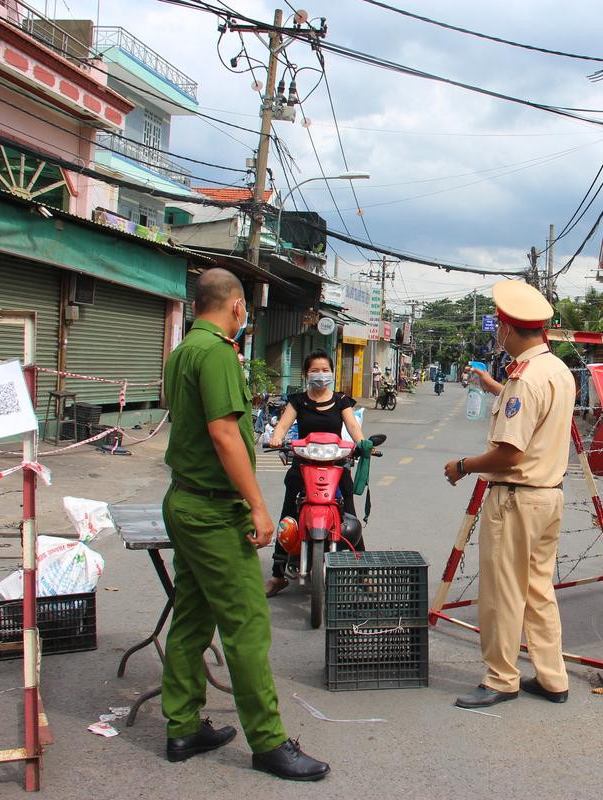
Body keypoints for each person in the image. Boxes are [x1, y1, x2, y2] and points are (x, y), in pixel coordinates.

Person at [160, 268, 329, 780]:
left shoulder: (184, 350)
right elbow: (225, 435)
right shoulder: (215, 353)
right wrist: (258, 505)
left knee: (192, 616)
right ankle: (269, 741)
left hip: (185, 501)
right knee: (248, 625)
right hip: (212, 511)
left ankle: (183, 724)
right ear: (236, 307)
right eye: (246, 309)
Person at [443, 280, 575, 709]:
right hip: (548, 497)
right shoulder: (557, 371)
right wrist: (494, 386)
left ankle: (501, 678)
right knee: (538, 590)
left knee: (502, 592)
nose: (498, 334)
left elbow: (509, 453)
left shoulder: (524, 378)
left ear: (508, 329)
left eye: (500, 327)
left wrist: (462, 466)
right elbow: (533, 414)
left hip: (516, 498)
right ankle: (553, 678)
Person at [265, 350, 366, 597]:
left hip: (336, 466)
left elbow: (352, 426)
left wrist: (362, 444)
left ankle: (363, 574)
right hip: (303, 465)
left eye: (325, 370)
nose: (320, 375)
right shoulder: (297, 401)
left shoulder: (342, 400)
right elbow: (284, 425)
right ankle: (278, 576)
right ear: (306, 374)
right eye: (315, 370)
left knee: (350, 514)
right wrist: (277, 439)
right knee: (288, 515)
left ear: (332, 373)